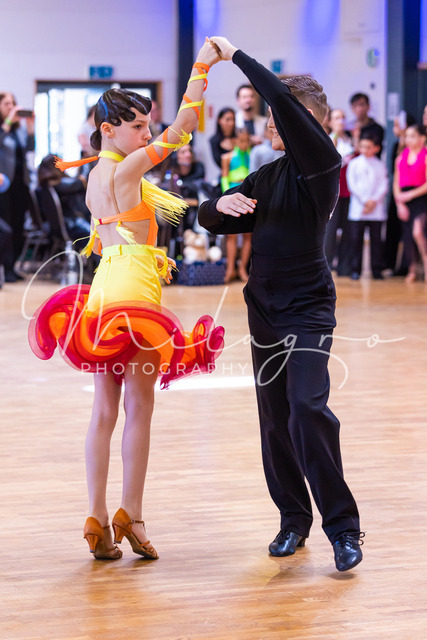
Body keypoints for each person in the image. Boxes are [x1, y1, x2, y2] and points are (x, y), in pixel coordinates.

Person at [28, 39, 223, 561]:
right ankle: (131, 515)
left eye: (145, 125)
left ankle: (96, 517)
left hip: (103, 289)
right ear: (108, 129)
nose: (146, 133)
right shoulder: (127, 167)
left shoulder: (94, 175)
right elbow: (183, 128)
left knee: (103, 411)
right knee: (139, 408)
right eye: (137, 126)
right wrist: (203, 65)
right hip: (134, 286)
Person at [199, 37, 364, 572]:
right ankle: (293, 518)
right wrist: (216, 205)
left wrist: (235, 56)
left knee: (306, 408)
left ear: (307, 121)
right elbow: (213, 218)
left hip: (308, 308)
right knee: (274, 417)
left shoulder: (322, 164)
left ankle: (343, 527)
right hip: (264, 307)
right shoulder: (268, 176)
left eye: (278, 115)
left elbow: (283, 105)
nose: (269, 123)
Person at [0, 92, 35, 282]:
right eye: (7, 104)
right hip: (4, 186)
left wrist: (30, 128)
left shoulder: (18, 129)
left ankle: (12, 267)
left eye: (13, 103)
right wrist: (7, 122)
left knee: (19, 226)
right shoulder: (3, 128)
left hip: (21, 184)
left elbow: (30, 148)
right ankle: (5, 269)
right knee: (7, 229)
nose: (11, 107)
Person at [346, 134, 388, 280]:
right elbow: (352, 184)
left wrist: (373, 201)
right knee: (356, 240)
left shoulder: (380, 164)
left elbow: (383, 184)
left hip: (376, 209)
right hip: (359, 209)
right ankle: (355, 269)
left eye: (368, 147)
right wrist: (365, 201)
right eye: (362, 146)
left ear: (376, 148)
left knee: (376, 241)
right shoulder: (354, 163)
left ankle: (376, 269)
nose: (365, 150)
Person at [393, 124, 427, 282]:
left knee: (418, 232)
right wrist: (399, 203)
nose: (408, 139)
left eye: (413, 136)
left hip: (421, 199)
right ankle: (412, 269)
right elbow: (396, 183)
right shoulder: (400, 157)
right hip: (404, 200)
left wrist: (410, 195)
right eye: (407, 136)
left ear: (422, 138)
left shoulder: (425, 156)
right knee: (407, 235)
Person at [324, 108, 354, 276]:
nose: (340, 121)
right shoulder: (330, 139)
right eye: (336, 118)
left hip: (349, 191)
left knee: (348, 231)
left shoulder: (350, 140)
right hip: (334, 191)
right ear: (330, 122)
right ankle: (326, 265)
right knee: (330, 231)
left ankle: (344, 266)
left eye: (342, 117)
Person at [221, 127, 252, 283]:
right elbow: (224, 178)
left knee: (248, 235)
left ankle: (242, 269)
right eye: (241, 141)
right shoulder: (227, 157)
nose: (244, 144)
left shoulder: (251, 156)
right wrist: (227, 196)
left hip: (248, 194)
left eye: (246, 140)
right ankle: (230, 269)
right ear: (235, 141)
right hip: (233, 194)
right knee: (231, 235)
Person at [349, 92, 384, 157]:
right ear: (352, 108)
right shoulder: (348, 128)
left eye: (362, 105)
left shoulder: (377, 128)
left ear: (368, 106)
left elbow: (377, 152)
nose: (359, 109)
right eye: (355, 105)